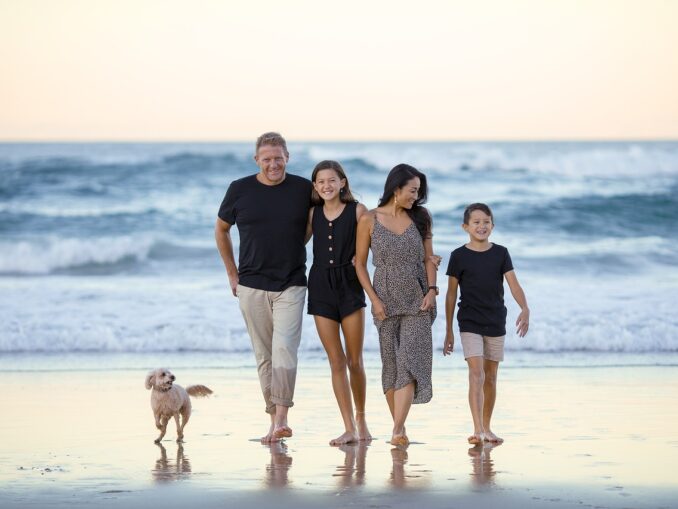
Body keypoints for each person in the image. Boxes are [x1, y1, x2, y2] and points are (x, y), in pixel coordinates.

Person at [215, 132, 312, 443]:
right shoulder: (239, 189)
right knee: (264, 355)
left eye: (278, 158)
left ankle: (282, 417)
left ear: (288, 157)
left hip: (292, 282)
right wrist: (232, 273)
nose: (273, 164)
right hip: (251, 285)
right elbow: (221, 229)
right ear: (256, 160)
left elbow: (320, 219)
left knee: (285, 349)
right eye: (267, 159)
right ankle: (273, 421)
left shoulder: (302, 188)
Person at [355, 163, 437, 447]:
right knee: (390, 365)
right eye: (412, 191)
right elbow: (360, 264)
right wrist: (374, 300)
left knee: (410, 361)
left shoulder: (422, 217)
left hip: (417, 297)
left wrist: (433, 290)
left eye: (418, 192)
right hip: (384, 299)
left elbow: (429, 258)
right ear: (396, 189)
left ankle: (398, 428)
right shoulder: (368, 219)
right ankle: (398, 429)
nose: (416, 196)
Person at [443, 203, 529, 444]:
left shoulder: (501, 253)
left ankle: (487, 427)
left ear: (493, 225)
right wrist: (448, 329)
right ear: (465, 227)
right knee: (476, 373)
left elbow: (514, 284)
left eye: (486, 222)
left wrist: (525, 308)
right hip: (469, 320)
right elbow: (451, 295)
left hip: (495, 320)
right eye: (476, 222)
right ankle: (477, 429)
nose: (482, 226)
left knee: (491, 377)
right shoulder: (458, 256)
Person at [306, 160, 371, 446]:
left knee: (355, 361)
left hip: (350, 285)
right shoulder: (312, 214)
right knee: (336, 360)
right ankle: (348, 427)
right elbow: (293, 244)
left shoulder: (358, 211)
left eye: (332, 180)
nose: (326, 186)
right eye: (321, 182)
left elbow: (374, 243)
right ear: (315, 186)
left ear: (342, 182)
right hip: (320, 286)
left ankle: (361, 418)